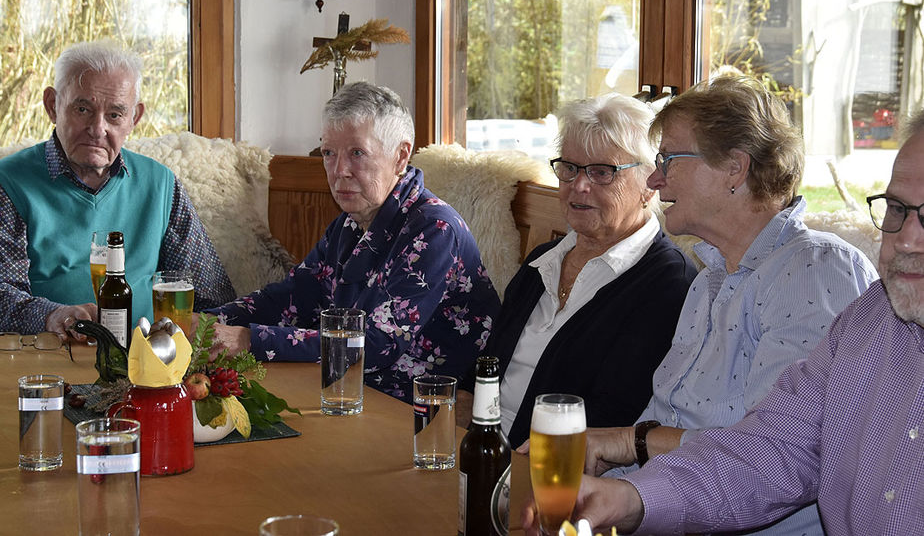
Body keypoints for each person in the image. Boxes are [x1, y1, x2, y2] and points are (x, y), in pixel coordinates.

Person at [524, 108, 924, 536]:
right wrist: (632, 498)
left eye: (668, 161)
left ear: (735, 168)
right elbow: (770, 452)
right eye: (897, 209)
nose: (906, 239)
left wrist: (630, 449)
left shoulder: (815, 269)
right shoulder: (868, 323)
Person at [205, 81, 500, 401]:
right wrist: (208, 322)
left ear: (401, 156)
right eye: (329, 153)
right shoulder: (347, 225)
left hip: (429, 411)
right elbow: (292, 297)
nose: (339, 171)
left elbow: (373, 344)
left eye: (357, 153)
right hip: (354, 391)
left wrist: (250, 340)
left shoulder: (435, 230)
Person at [463, 93, 697, 447]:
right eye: (569, 168)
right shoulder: (542, 262)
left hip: (555, 471)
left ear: (649, 183)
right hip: (487, 452)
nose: (579, 185)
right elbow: (485, 370)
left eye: (602, 172)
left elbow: (615, 414)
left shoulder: (668, 284)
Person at [0, 40, 235, 339]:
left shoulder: (160, 184)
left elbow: (209, 295)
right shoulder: (9, 183)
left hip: (145, 364)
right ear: (52, 105)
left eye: (114, 115)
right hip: (49, 360)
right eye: (83, 109)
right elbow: (2, 293)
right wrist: (51, 315)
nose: (98, 129)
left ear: (134, 118)